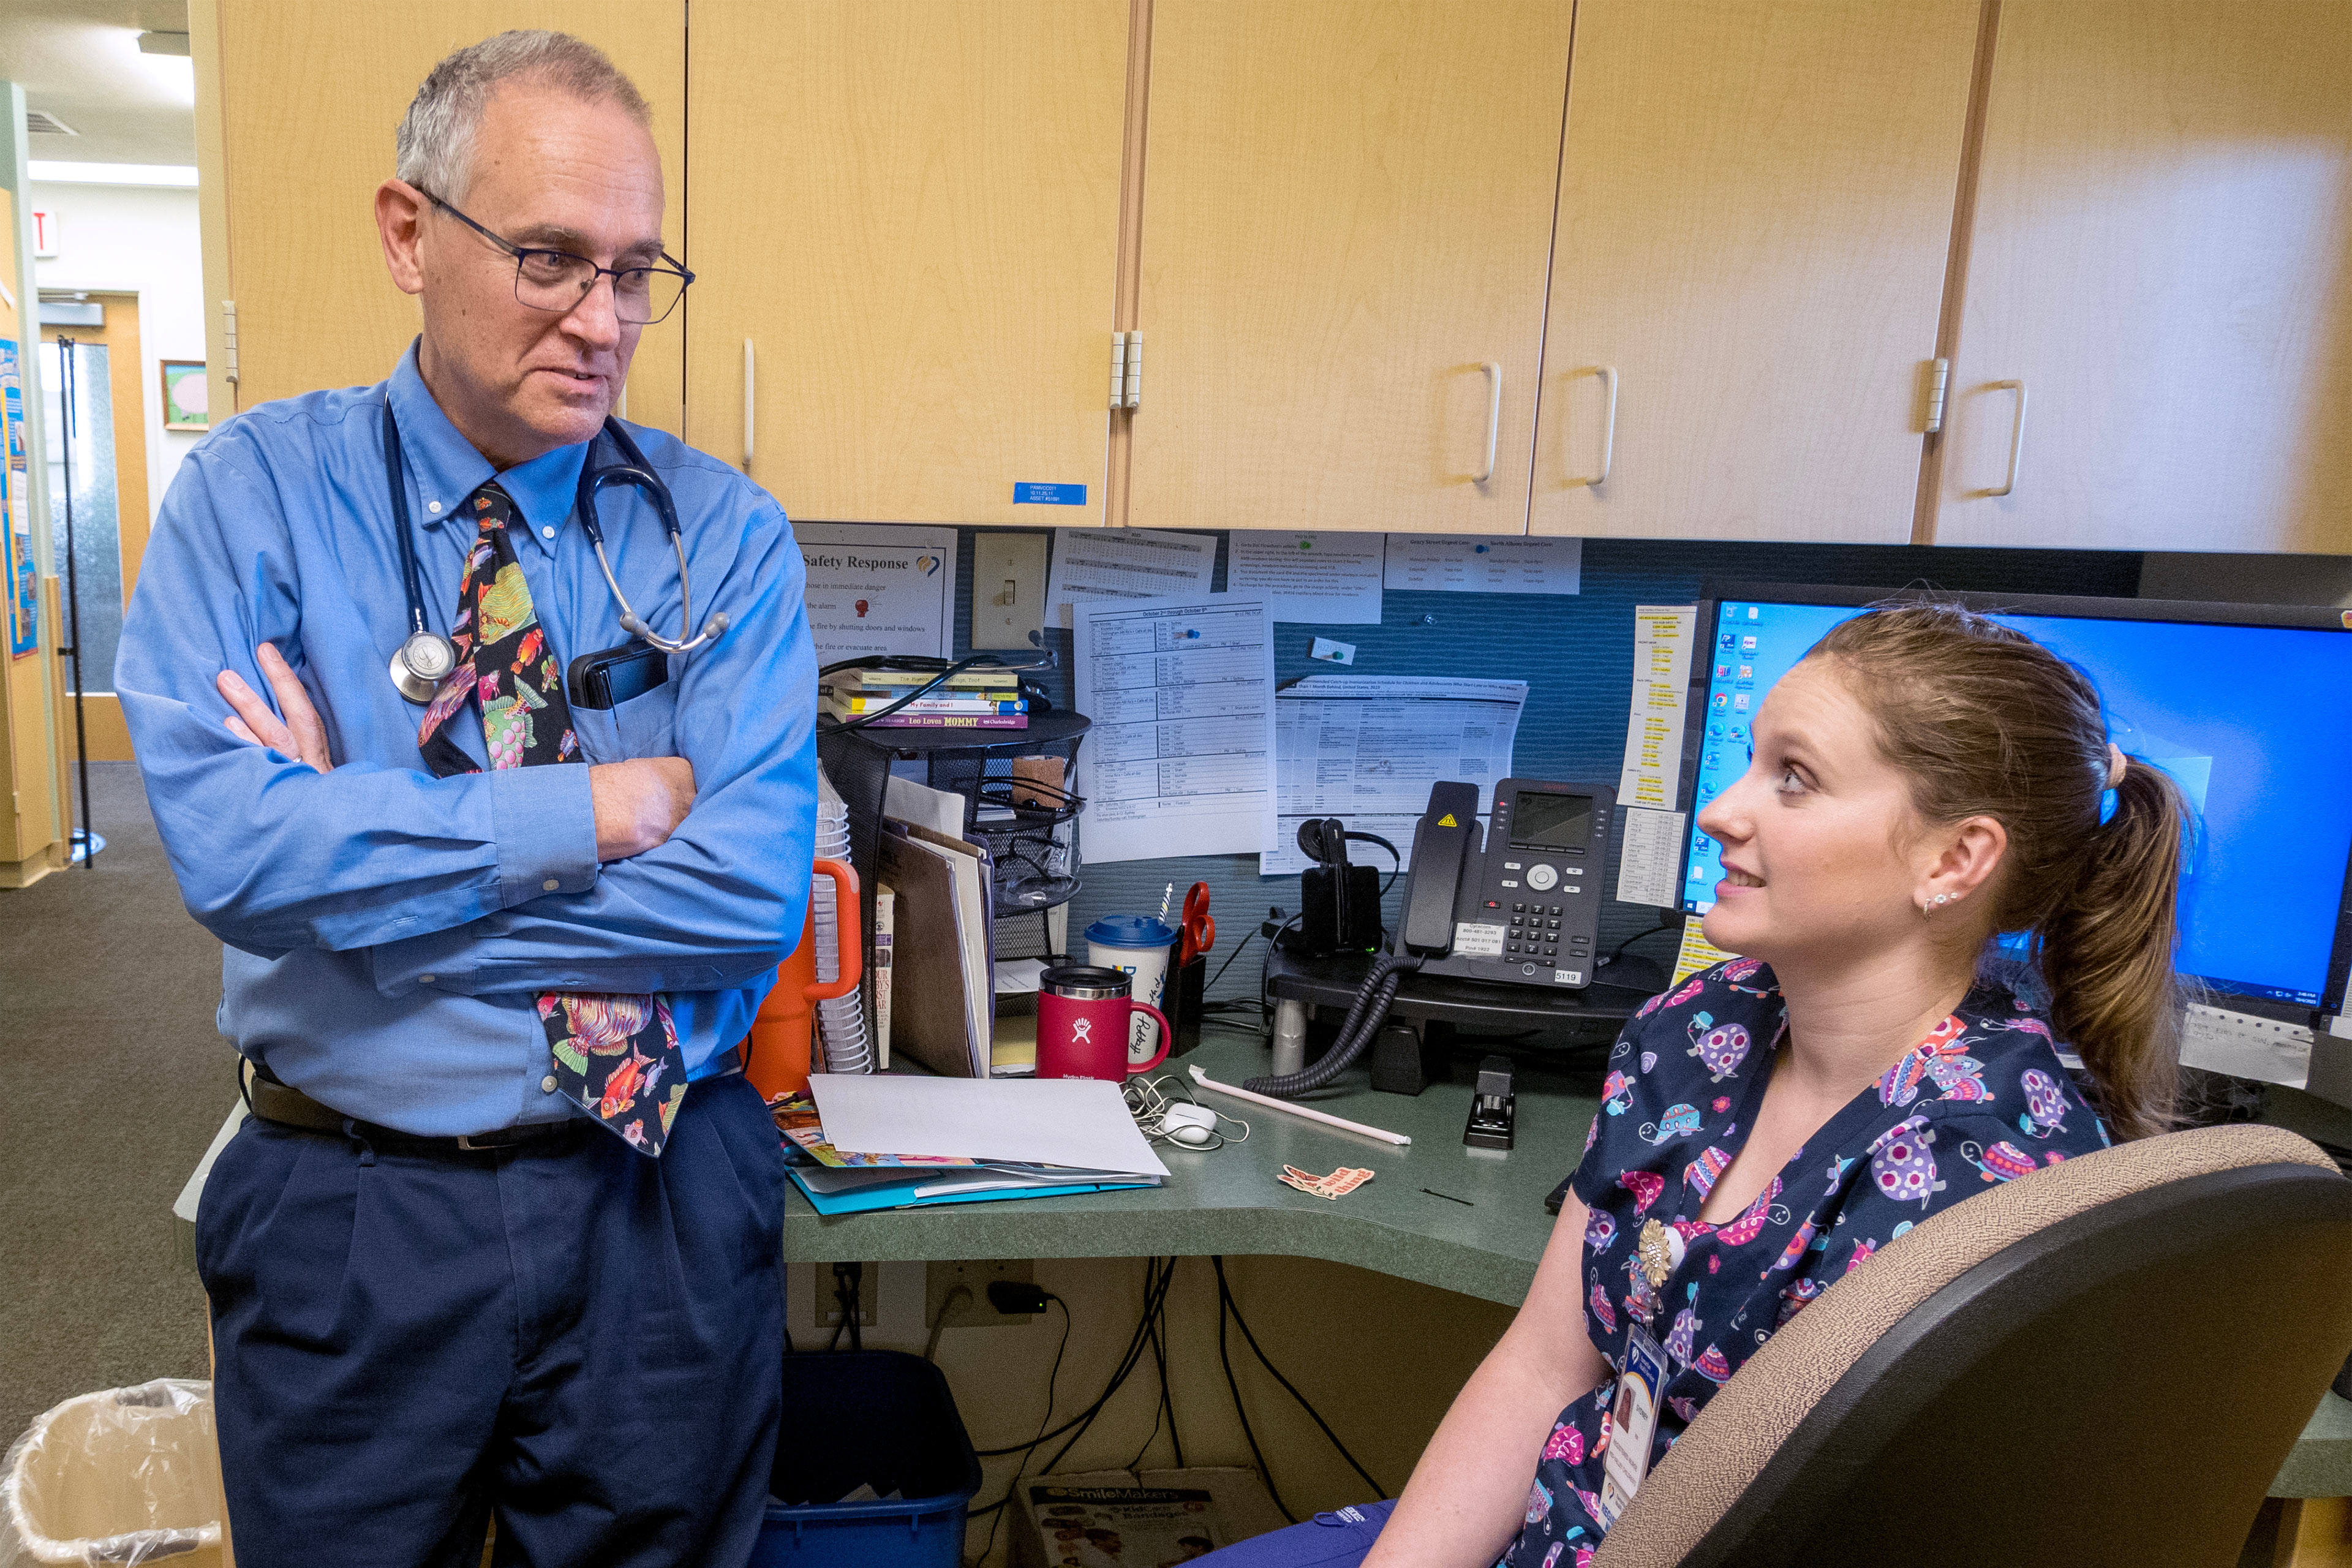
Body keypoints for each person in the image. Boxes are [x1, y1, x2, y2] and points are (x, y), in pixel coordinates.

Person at [115, 31, 815, 1567]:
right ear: (409, 232)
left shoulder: (724, 535)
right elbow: (235, 856)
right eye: (553, 257)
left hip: (661, 1192)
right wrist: (592, 812)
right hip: (357, 1210)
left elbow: (752, 892)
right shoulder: (255, 501)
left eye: (637, 271)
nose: (602, 318)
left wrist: (361, 883)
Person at [1197, 602, 2188, 1567]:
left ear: (1956, 857)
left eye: (1794, 779)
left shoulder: (1982, 1170)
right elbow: (1546, 1365)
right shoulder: (1699, 1028)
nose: (1721, 810)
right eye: (1755, 760)